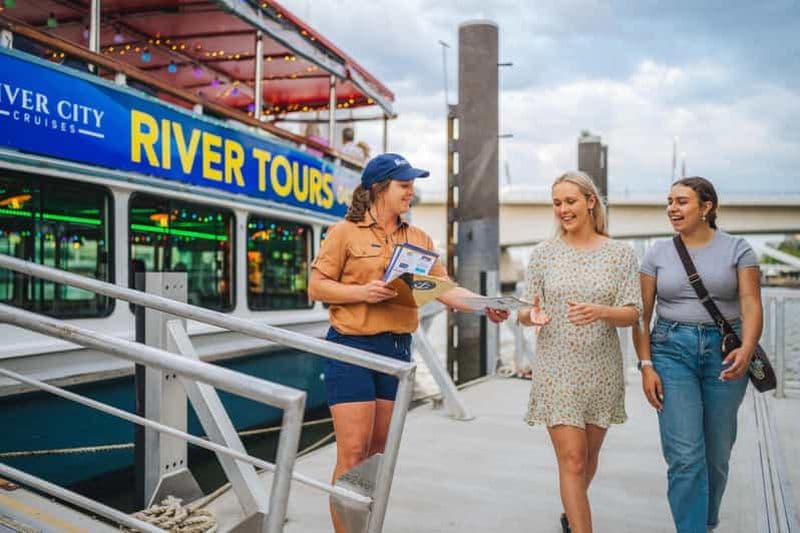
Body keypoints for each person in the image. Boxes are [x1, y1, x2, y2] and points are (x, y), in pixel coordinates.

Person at [308, 153, 509, 533]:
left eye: (412, 185)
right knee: (352, 452)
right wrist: (362, 292)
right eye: (404, 185)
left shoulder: (418, 239)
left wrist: (485, 307)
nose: (411, 192)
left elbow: (444, 289)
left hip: (397, 351)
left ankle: (367, 527)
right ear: (378, 189)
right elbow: (316, 286)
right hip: (351, 349)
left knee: (376, 456)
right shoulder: (343, 233)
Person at [632, 177, 762, 533]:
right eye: (670, 201)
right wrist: (645, 365)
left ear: (707, 207)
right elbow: (642, 313)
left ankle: (704, 524)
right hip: (671, 351)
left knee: (717, 456)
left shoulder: (739, 250)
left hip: (726, 353)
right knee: (685, 456)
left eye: (682, 201)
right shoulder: (656, 253)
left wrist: (747, 349)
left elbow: (751, 304)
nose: (673, 208)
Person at [517, 171, 641, 533]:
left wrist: (600, 311)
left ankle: (570, 513)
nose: (562, 210)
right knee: (571, 459)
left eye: (569, 201)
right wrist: (531, 316)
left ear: (590, 202)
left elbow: (633, 312)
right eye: (557, 203)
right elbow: (526, 310)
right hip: (557, 368)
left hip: (601, 371)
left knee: (587, 457)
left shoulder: (620, 255)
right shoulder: (543, 254)